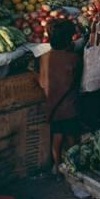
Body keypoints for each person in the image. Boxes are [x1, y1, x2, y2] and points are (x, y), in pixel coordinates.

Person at [38, 19, 82, 175]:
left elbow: (42, 82)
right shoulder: (73, 58)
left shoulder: (44, 58)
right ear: (69, 40)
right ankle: (72, 168)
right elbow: (77, 80)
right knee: (72, 138)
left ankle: (56, 166)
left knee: (57, 137)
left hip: (53, 107)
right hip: (70, 107)